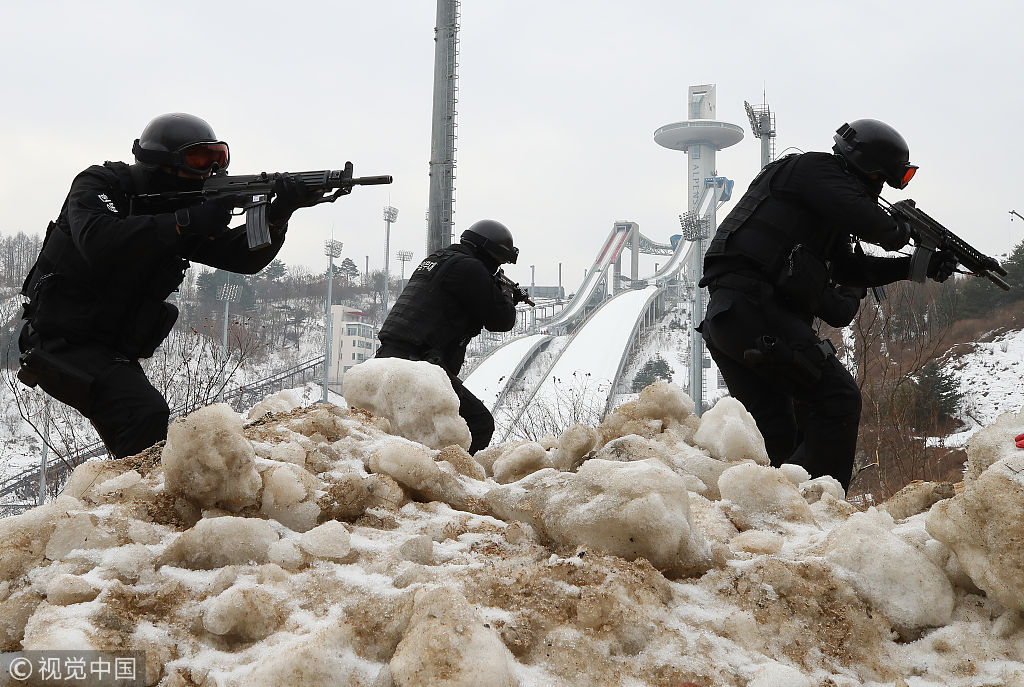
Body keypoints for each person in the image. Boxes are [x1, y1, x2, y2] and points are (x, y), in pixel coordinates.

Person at [18, 112, 318, 459]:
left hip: (108, 349)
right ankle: (132, 505)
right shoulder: (101, 184)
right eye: (198, 159)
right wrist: (185, 222)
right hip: (58, 342)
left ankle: (131, 499)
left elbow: (241, 257)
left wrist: (278, 215)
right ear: (163, 163)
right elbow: (98, 240)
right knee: (143, 416)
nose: (208, 170)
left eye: (216, 160)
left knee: (147, 423)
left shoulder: (180, 210)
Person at [696, 119, 957, 490]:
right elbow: (880, 228)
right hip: (751, 309)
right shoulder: (811, 168)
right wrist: (905, 228)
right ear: (869, 170)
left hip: (735, 320)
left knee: (780, 435)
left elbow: (850, 269)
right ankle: (820, 513)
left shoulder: (824, 207)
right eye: (881, 180)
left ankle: (776, 521)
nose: (878, 191)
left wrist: (917, 267)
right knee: (837, 398)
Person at [375, 219, 525, 454]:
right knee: (478, 424)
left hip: (388, 358)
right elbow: (502, 321)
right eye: (497, 263)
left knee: (416, 429)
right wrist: (505, 294)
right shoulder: (471, 269)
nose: (496, 269)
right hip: (418, 364)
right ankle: (454, 479)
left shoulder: (439, 260)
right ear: (488, 254)